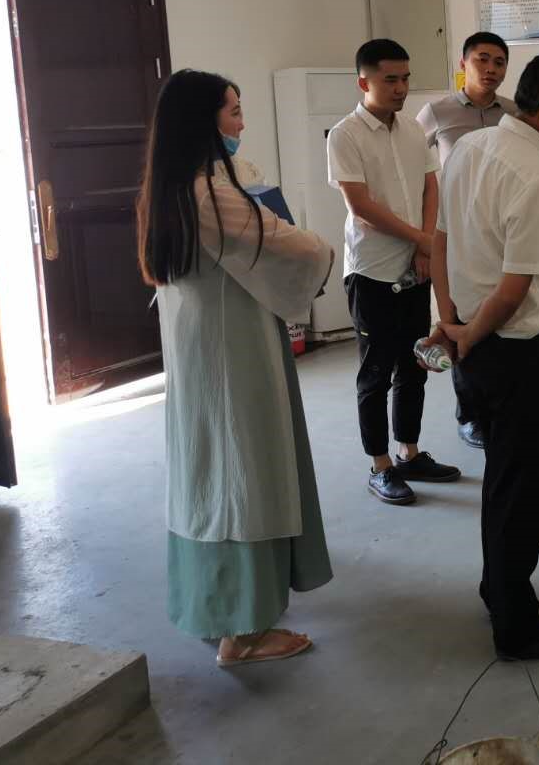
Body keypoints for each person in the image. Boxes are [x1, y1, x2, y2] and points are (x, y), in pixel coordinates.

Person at [138, 70, 334, 666]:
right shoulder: (210, 193)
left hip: (200, 346)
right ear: (205, 122)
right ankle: (242, 632)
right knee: (244, 471)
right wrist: (322, 248)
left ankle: (217, 605)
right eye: (234, 112)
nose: (242, 123)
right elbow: (289, 244)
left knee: (209, 470)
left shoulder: (166, 187)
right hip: (234, 348)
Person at [420, 51, 539, 660]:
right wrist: (468, 333)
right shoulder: (537, 175)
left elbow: (441, 240)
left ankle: (496, 586)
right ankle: (517, 626)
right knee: (526, 490)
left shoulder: (471, 147)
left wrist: (450, 322)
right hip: (519, 351)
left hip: (475, 342)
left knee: (501, 479)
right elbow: (516, 285)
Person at [327, 38, 460, 507]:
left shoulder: (411, 129)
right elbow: (360, 207)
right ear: (364, 82)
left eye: (405, 78)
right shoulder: (345, 135)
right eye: (390, 80)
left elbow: (430, 188)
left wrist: (425, 246)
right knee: (376, 372)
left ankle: (409, 453)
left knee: (414, 365)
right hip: (372, 272)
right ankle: (380, 465)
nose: (401, 88)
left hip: (414, 266)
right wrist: (422, 240)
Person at [416, 30, 519, 450]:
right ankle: (470, 413)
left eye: (499, 62)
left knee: (502, 317)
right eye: (482, 59)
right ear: (464, 64)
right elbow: (415, 166)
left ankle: (506, 405)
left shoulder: (512, 113)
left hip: (501, 233)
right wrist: (422, 234)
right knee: (458, 318)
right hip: (455, 233)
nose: (491, 69)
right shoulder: (436, 112)